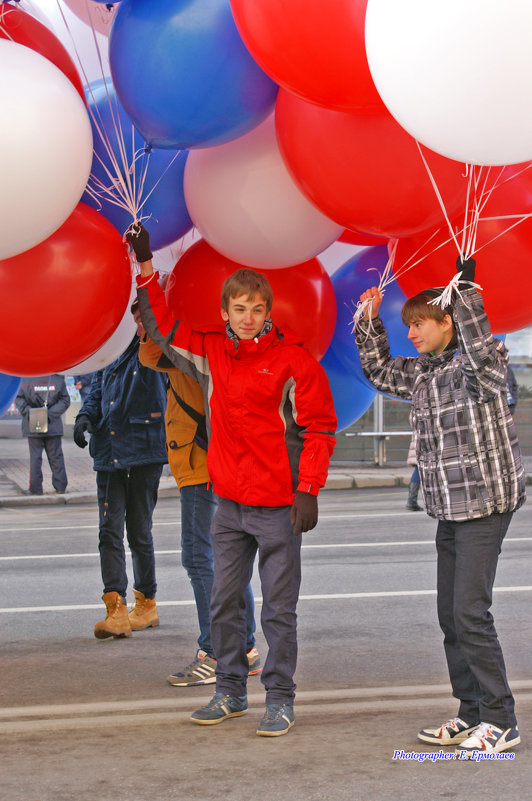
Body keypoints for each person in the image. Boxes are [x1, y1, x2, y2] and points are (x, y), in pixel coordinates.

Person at [127, 222, 337, 737]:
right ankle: (230, 691)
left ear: (269, 313)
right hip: (229, 505)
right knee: (224, 603)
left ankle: (281, 700)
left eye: (256, 310)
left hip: (279, 508)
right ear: (225, 314)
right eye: (238, 309)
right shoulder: (213, 352)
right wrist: (147, 267)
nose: (247, 318)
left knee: (278, 612)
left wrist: (307, 489)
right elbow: (163, 328)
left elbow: (320, 428)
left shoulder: (294, 362)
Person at [354, 256, 526, 756]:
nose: (410, 333)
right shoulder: (426, 373)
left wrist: (466, 291)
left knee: (470, 611)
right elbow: (381, 372)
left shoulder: (483, 363)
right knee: (450, 615)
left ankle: (501, 719)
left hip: (486, 502)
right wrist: (368, 322)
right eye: (406, 325)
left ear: (448, 322)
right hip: (451, 506)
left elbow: (477, 351)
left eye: (419, 323)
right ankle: (471, 713)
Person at [139, 331, 262, 685]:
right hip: (211, 460)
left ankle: (218, 651)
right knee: (226, 560)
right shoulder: (206, 344)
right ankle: (244, 649)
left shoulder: (186, 345)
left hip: (201, 462)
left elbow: (148, 354)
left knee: (200, 558)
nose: (139, 324)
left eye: (140, 316)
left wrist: (153, 317)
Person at [73, 299, 168, 640]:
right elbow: (97, 390)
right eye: (136, 318)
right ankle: (116, 609)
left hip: (144, 453)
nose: (140, 323)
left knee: (139, 532)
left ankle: (147, 603)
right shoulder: (111, 350)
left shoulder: (156, 351)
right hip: (110, 454)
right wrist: (85, 418)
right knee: (108, 532)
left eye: (145, 318)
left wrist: (152, 333)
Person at [15, 375, 70, 495]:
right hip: (53, 425)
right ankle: (60, 487)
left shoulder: (25, 380)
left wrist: (32, 414)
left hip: (33, 425)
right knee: (56, 456)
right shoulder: (57, 379)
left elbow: (19, 400)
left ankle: (35, 489)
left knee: (35, 458)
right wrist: (48, 415)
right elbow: (65, 401)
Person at [405, 435, 422, 511]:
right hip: (422, 441)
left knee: (418, 468)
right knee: (419, 468)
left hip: (418, 440)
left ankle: (412, 500)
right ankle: (412, 501)